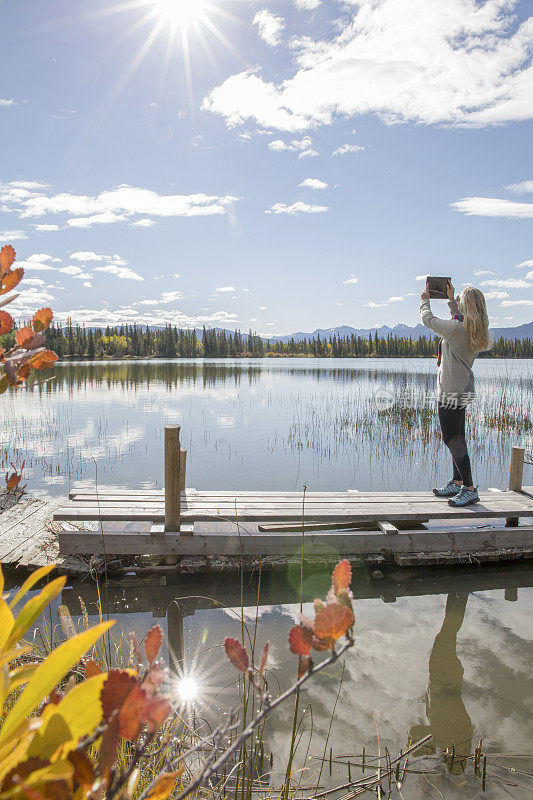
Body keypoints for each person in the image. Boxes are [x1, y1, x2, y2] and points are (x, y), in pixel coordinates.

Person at [420, 280, 491, 506]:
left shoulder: (456, 329)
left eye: (460, 301)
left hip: (449, 392)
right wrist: (451, 302)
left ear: (466, 307)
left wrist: (425, 300)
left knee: (451, 439)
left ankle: (469, 488)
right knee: (458, 438)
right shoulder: (474, 330)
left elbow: (427, 320)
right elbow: (458, 320)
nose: (457, 303)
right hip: (462, 389)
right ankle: (458, 482)